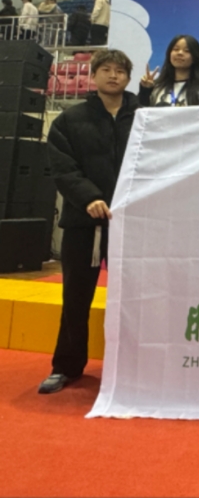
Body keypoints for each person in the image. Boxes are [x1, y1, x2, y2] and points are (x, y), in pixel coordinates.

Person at [40, 49, 140, 394]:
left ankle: (135, 367)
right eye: (106, 70)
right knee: (76, 297)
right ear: (93, 75)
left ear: (128, 77)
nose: (113, 76)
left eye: (120, 71)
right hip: (85, 224)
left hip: (133, 223)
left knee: (137, 299)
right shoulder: (70, 120)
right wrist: (89, 198)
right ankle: (66, 367)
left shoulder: (145, 117)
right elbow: (63, 168)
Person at [138, 35, 199, 107]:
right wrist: (146, 90)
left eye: (187, 51)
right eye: (176, 49)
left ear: (195, 57)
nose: (180, 53)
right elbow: (142, 111)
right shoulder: (157, 88)